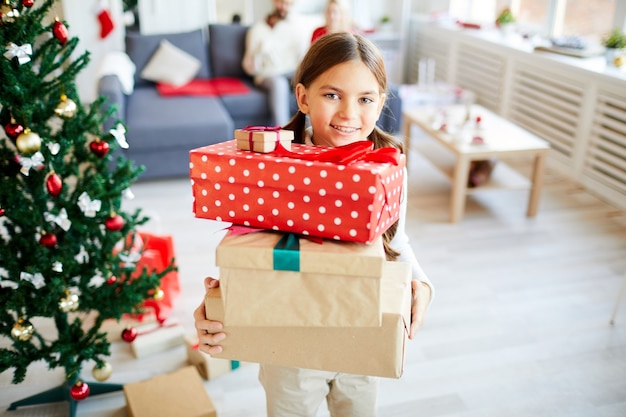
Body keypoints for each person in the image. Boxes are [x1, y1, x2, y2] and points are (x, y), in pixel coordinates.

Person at [195, 32, 434, 417]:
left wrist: (420, 282)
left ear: (381, 104)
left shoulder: (389, 167)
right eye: (332, 95)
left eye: (365, 99)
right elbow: (249, 255)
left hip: (363, 332)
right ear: (303, 97)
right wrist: (215, 305)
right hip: (287, 344)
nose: (348, 114)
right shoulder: (269, 171)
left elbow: (397, 238)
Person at [241, 0, 309, 126]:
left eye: (288, 4)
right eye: (281, 3)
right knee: (279, 84)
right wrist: (258, 55)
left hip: (290, 72)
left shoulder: (296, 28)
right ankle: (283, 133)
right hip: (268, 75)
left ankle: (310, 132)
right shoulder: (257, 30)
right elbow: (248, 67)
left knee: (310, 81)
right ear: (274, 2)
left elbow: (303, 59)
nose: (284, 7)